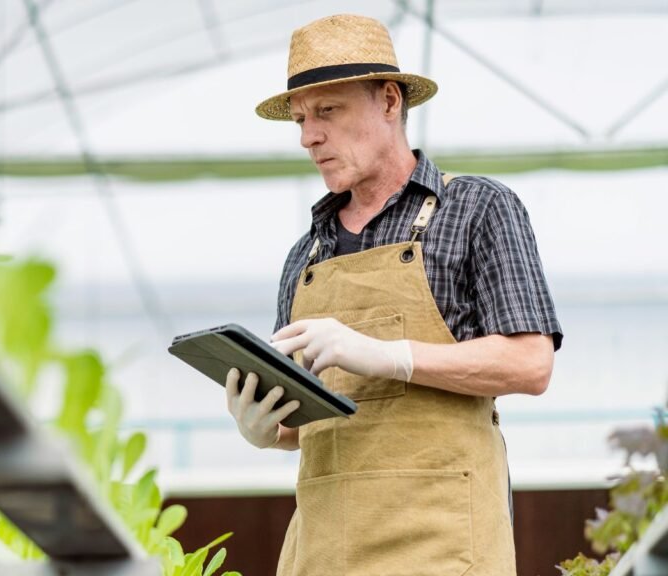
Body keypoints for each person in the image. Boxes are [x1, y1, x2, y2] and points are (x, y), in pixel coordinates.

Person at [223, 14, 562, 576]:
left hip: (442, 548)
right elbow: (304, 425)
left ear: (388, 100)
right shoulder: (303, 258)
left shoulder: (476, 209)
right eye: (302, 119)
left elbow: (531, 363)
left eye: (327, 111)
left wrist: (392, 355)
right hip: (323, 552)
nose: (309, 136)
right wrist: (266, 428)